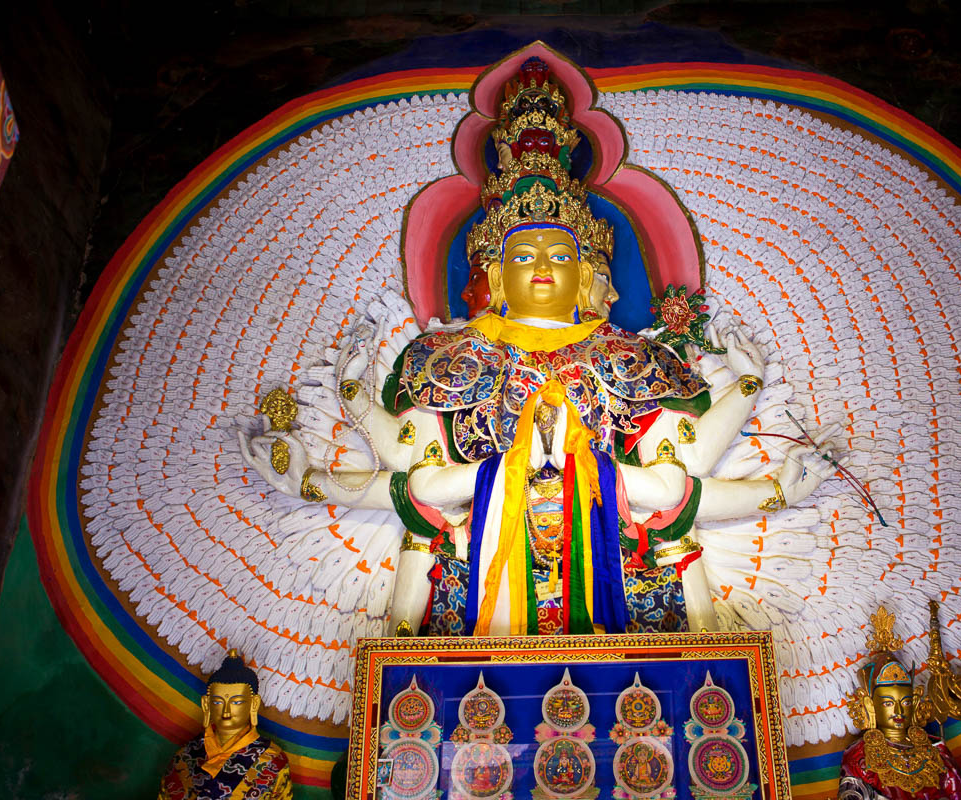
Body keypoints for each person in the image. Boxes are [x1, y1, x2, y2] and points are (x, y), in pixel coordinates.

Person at [239, 57, 840, 638]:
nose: (543, 267)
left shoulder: (631, 359)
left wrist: (750, 406)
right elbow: (408, 470)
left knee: (659, 513)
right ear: (497, 278)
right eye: (523, 256)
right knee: (428, 502)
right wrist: (331, 440)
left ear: (588, 273)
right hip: (475, 581)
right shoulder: (446, 358)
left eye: (560, 254)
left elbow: (681, 477)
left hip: (620, 581)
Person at [838, 609, 961, 800]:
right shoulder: (860, 757)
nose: (898, 710)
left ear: (915, 702)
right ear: (870, 705)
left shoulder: (936, 752)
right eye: (888, 703)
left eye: (906, 702)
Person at [159, 649, 292, 799]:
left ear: (254, 704)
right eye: (218, 702)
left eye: (236, 702)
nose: (226, 711)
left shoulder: (272, 760)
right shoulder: (185, 756)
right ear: (206, 704)